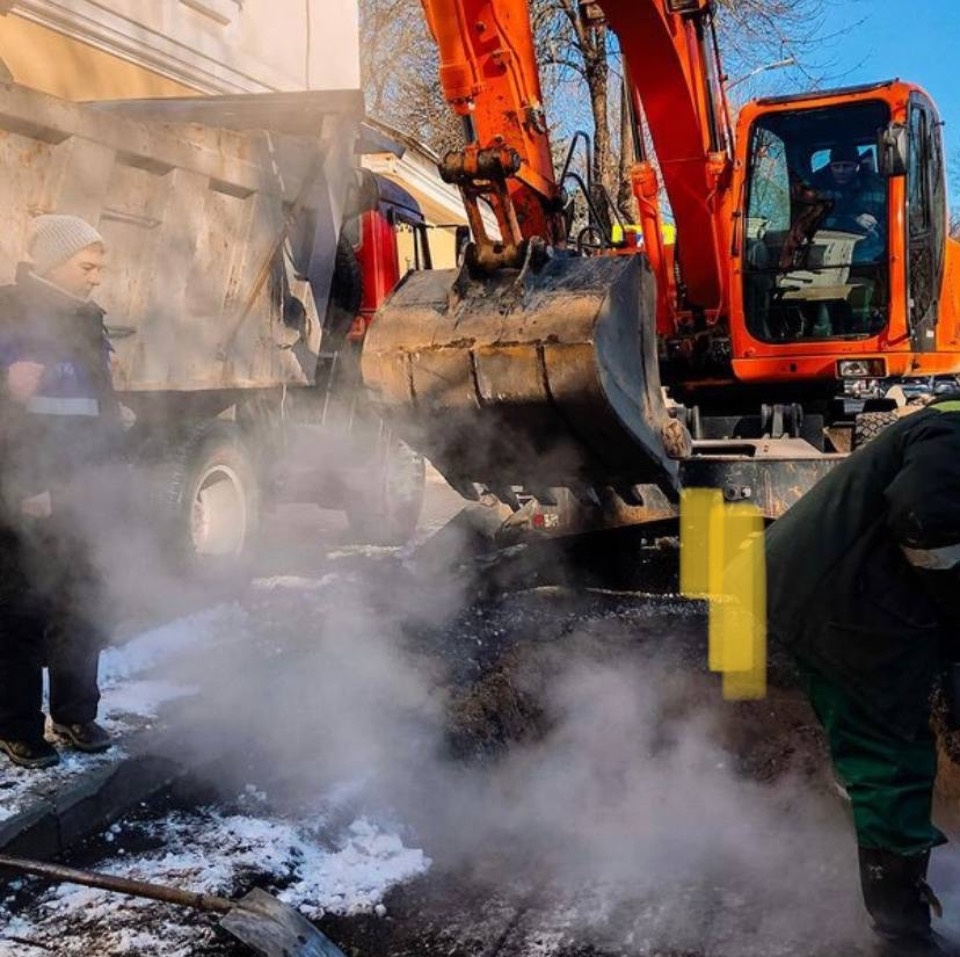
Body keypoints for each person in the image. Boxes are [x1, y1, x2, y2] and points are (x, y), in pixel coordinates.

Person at [765, 398, 960, 955]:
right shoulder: (953, 433)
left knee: (883, 748)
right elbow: (922, 516)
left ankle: (880, 859)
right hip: (840, 600)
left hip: (855, 591)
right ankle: (900, 934)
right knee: (889, 753)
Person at [0, 214, 123, 769]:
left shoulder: (87, 318)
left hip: (83, 487)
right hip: (28, 489)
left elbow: (90, 405)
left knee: (84, 602)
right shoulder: (10, 312)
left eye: (98, 267)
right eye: (86, 266)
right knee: (22, 612)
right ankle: (18, 728)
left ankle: (76, 714)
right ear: (53, 263)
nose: (96, 277)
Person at [813, 142, 886, 239]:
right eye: (836, 166)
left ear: (856, 166)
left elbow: (890, 220)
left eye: (846, 166)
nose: (841, 171)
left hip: (872, 247)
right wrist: (854, 221)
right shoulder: (818, 189)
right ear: (830, 167)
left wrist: (876, 225)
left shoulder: (875, 187)